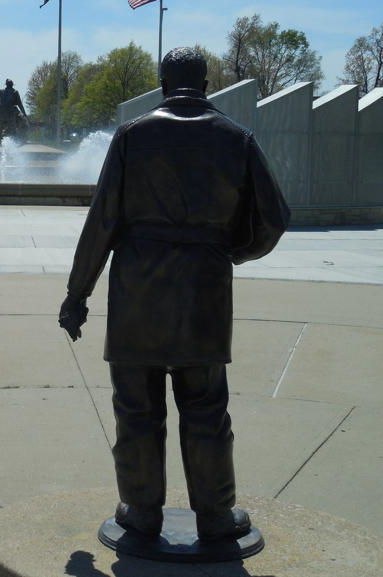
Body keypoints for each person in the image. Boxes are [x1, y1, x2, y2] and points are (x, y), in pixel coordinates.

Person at [58, 47, 290, 542]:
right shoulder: (237, 138)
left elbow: (102, 221)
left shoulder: (133, 136)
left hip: (137, 289)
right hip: (204, 288)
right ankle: (215, 514)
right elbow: (274, 218)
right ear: (206, 82)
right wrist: (235, 252)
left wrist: (77, 295)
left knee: (136, 409)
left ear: (164, 82)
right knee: (206, 408)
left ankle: (142, 511)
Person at [0, 79, 28, 144]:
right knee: (12, 127)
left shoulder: (3, 91)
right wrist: (24, 113)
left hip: (2, 112)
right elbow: (20, 104)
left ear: (6, 85)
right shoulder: (15, 92)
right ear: (12, 85)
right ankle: (12, 140)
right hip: (10, 112)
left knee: (0, 126)